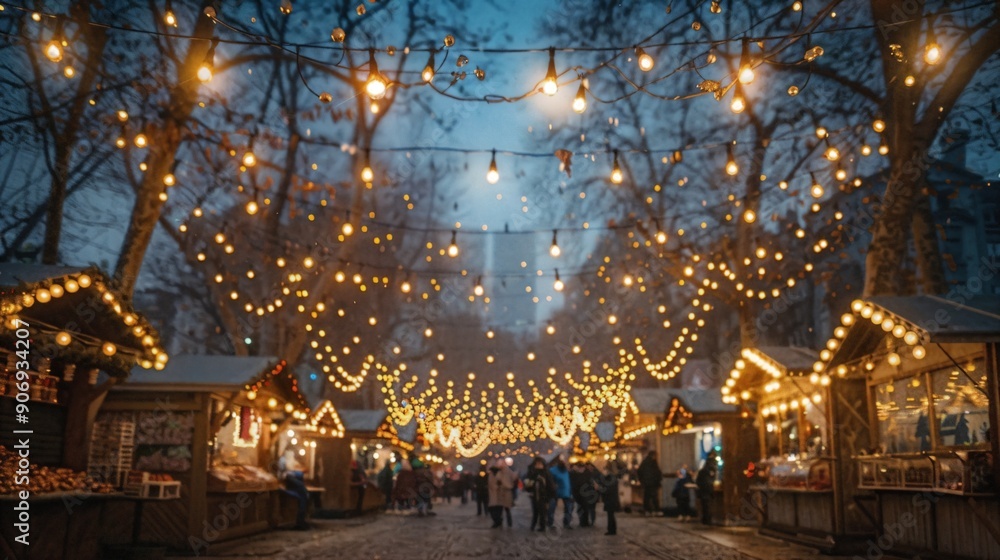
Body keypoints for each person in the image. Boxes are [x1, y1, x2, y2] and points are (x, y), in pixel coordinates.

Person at [276, 449, 310, 530]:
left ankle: (300, 522)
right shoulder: (290, 470)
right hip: (298, 490)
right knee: (303, 502)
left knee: (303, 503)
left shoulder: (290, 469)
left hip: (297, 490)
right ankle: (300, 522)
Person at [524, 456, 555, 531]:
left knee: (542, 512)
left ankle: (542, 526)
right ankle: (533, 525)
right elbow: (527, 484)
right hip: (534, 495)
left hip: (543, 496)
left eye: (540, 464)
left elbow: (550, 485)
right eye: (537, 464)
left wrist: (549, 496)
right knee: (535, 512)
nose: (538, 465)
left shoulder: (546, 474)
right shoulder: (532, 473)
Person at [487, 458, 517, 528]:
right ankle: (499, 521)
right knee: (497, 509)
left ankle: (506, 522)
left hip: (503, 493)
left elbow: (510, 479)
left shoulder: (505, 471)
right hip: (497, 494)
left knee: (505, 509)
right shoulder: (495, 472)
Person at [548, 458, 575, 529]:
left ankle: (566, 523)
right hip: (556, 492)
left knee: (567, 508)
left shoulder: (567, 470)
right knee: (552, 508)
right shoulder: (553, 470)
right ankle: (551, 523)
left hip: (565, 491)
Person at [600, 460, 622, 536]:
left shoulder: (611, 478)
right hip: (612, 499)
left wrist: (599, 488)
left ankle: (611, 530)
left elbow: (608, 489)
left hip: (611, 499)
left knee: (610, 515)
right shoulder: (612, 477)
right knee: (611, 515)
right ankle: (612, 529)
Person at [637, 450, 663, 516]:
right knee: (654, 497)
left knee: (647, 497)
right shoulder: (653, 463)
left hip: (647, 483)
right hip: (653, 483)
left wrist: (642, 480)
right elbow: (657, 472)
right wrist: (659, 479)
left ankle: (647, 510)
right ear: (653, 455)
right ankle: (656, 510)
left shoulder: (645, 462)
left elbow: (639, 471)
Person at [696, 451, 718, 525]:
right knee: (708, 504)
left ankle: (705, 519)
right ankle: (708, 519)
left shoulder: (704, 468)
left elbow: (698, 480)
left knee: (704, 504)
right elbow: (713, 476)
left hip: (703, 488)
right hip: (708, 487)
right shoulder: (712, 465)